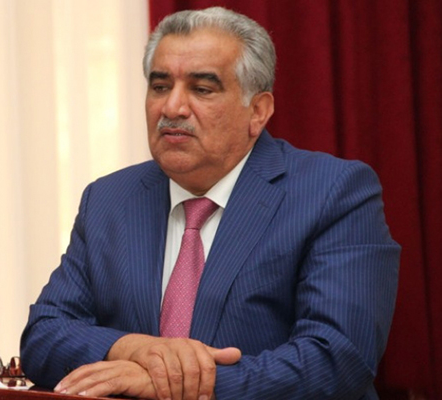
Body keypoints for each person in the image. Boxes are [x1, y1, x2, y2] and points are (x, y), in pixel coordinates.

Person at [20, 6, 400, 399]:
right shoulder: (110, 200)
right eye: (160, 86)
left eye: (202, 89)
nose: (172, 108)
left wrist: (167, 383)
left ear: (258, 111)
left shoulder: (332, 192)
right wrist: (133, 348)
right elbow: (44, 335)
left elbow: (337, 357)